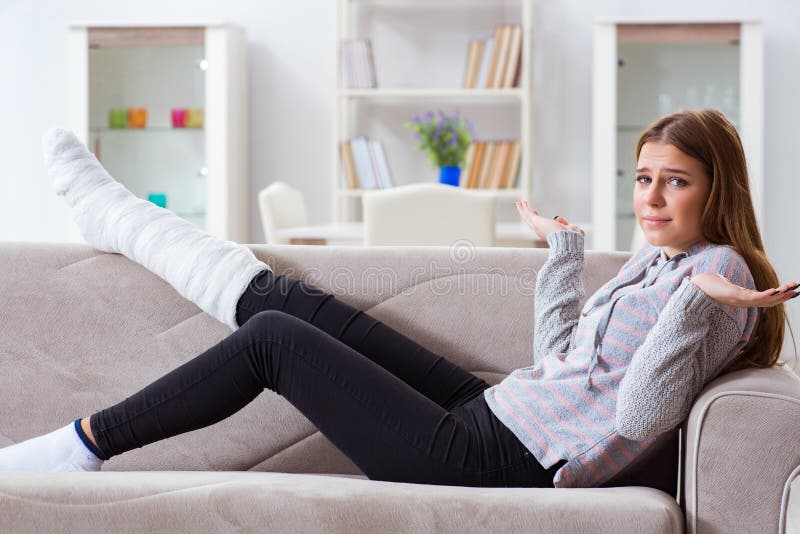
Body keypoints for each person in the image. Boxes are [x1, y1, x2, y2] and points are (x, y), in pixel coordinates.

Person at [0, 109, 795, 489]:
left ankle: (83, 444)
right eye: (645, 177)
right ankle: (116, 218)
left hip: (500, 463)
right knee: (300, 305)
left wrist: (700, 302)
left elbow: (637, 418)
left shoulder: (715, 282)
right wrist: (567, 255)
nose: (653, 198)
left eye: (676, 181)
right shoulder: (664, 263)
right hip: (497, 412)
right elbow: (561, 363)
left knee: (277, 337)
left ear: (715, 189)